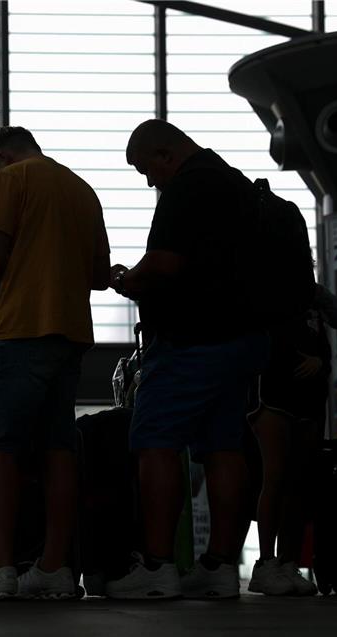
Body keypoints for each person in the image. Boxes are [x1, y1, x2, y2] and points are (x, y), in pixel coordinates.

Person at [106, 119, 270, 600]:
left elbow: (165, 263)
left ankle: (156, 566)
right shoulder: (236, 184)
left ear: (164, 155)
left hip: (191, 340)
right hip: (241, 338)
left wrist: (127, 279)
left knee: (155, 439)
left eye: (145, 169)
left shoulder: (188, 185)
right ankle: (219, 566)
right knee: (223, 446)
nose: (148, 181)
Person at [0, 126, 111, 600]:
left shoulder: (14, 177)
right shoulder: (82, 189)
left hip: (21, 328)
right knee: (58, 449)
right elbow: (100, 275)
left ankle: (1, 567)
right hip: (70, 334)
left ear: (1, 157)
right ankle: (53, 568)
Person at [247, 283, 337, 596]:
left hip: (311, 396)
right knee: (275, 476)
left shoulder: (311, 294)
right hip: (274, 391)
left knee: (300, 483)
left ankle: (289, 562)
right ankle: (266, 561)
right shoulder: (263, 291)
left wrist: (321, 362)